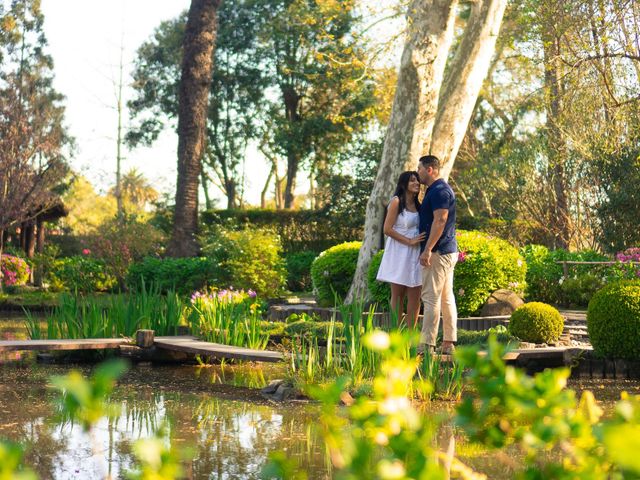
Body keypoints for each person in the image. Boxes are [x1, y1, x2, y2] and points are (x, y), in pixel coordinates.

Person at [417, 155, 458, 354]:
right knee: (445, 297)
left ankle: (427, 344)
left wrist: (428, 249)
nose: (418, 174)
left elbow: (440, 221)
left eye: (420, 170)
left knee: (431, 298)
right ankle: (449, 343)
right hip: (446, 251)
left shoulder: (440, 191)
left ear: (430, 169)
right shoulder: (436, 191)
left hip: (439, 252)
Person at [376, 171, 426, 328]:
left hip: (416, 254)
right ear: (404, 184)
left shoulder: (419, 205)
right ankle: (395, 334)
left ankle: (411, 337)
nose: (417, 183)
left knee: (415, 296)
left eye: (418, 181)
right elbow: (387, 229)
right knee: (397, 296)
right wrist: (409, 241)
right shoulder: (396, 202)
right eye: (412, 181)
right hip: (398, 253)